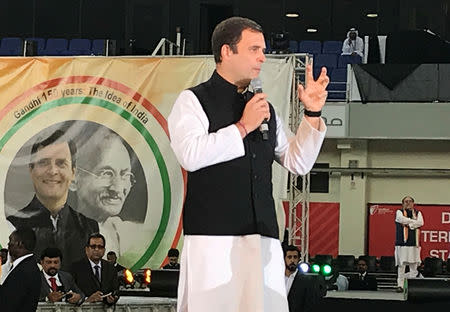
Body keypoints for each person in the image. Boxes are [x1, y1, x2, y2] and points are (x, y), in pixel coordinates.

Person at [168, 16, 328, 312]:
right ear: (227, 52)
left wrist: (312, 113)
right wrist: (242, 128)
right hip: (212, 240)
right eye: (254, 49)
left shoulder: (262, 107)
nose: (262, 57)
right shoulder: (193, 101)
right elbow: (190, 154)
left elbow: (297, 161)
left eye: (263, 50)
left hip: (263, 238)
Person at [7, 130, 99, 270]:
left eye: (61, 163)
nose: (52, 171)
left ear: (73, 172)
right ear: (31, 170)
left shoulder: (89, 228)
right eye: (43, 162)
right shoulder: (13, 225)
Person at [69, 128, 136, 256]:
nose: (117, 189)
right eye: (106, 174)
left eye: (125, 175)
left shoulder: (127, 235)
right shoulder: (59, 233)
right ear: (74, 179)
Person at [70, 232, 119, 305]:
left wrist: (111, 299)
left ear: (104, 250)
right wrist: (88, 300)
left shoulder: (111, 268)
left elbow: (115, 291)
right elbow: (71, 294)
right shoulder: (75, 268)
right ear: (87, 249)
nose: (96, 249)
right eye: (93, 246)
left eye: (100, 247)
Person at [0, 227, 41, 312]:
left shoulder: (24, 270)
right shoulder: (27, 266)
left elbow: (9, 303)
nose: (8, 244)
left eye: (10, 240)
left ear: (19, 243)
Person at [395, 195, 424, 292]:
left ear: (413, 203)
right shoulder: (399, 212)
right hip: (402, 243)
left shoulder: (418, 213)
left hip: (414, 243)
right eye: (406, 201)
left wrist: (409, 224)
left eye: (410, 201)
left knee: (413, 266)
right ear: (402, 203)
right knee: (401, 265)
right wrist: (413, 223)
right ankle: (400, 286)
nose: (408, 203)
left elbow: (420, 223)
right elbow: (401, 219)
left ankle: (412, 285)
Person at [284, 245, 325, 312]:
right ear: (284, 259)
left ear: (298, 260)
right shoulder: (277, 279)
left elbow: (309, 305)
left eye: (295, 257)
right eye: (289, 257)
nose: (292, 260)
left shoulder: (306, 281)